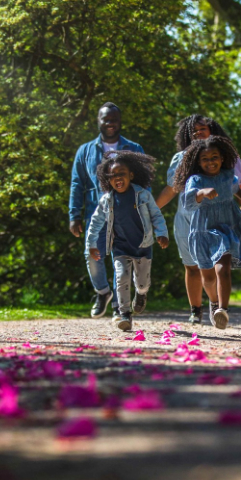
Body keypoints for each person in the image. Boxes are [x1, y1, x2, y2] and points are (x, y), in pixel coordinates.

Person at [155, 115, 241, 324]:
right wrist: (152, 211)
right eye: (193, 130)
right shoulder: (182, 159)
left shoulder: (224, 158)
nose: (198, 133)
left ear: (212, 131)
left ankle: (218, 306)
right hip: (190, 220)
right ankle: (196, 309)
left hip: (221, 221)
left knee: (219, 266)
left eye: (202, 128)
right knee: (194, 267)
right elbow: (172, 189)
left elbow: (236, 188)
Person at [69, 102, 144, 318]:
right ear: (98, 121)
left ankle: (120, 307)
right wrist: (74, 215)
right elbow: (77, 184)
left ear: (120, 122)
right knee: (92, 255)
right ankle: (103, 292)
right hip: (96, 213)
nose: (110, 123)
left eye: (114, 119)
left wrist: (143, 210)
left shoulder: (134, 149)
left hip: (127, 214)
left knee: (122, 260)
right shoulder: (85, 151)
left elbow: (145, 182)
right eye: (106, 119)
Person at [86, 151, 170, 331]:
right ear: (108, 179)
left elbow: (156, 215)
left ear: (131, 175)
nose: (117, 178)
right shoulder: (107, 200)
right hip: (120, 247)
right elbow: (95, 222)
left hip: (143, 246)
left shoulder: (142, 195)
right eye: (113, 175)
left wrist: (162, 233)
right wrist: (91, 245)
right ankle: (124, 313)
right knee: (121, 278)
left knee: (142, 282)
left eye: (121, 173)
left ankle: (141, 294)